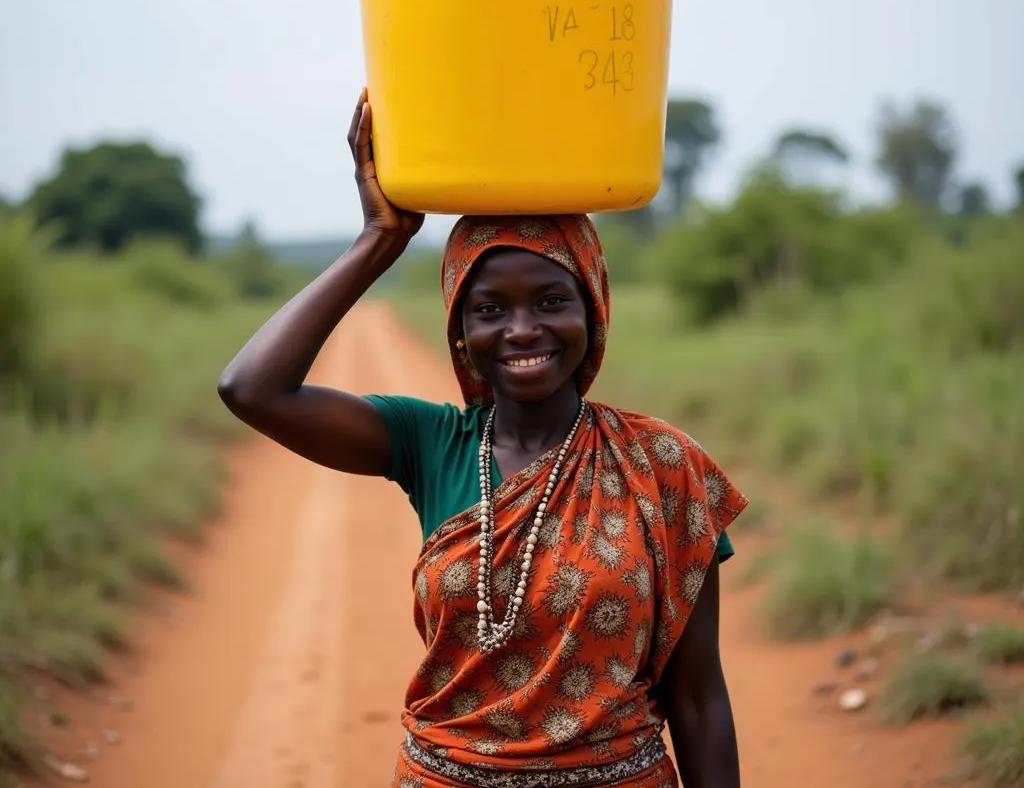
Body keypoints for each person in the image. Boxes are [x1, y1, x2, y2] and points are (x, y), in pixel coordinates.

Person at [218, 90, 749, 788]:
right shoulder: (430, 442)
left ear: (594, 310)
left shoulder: (664, 466)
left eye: (551, 301)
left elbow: (699, 697)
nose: (522, 330)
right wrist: (381, 240)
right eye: (489, 309)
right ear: (460, 333)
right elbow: (252, 389)